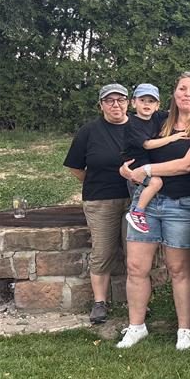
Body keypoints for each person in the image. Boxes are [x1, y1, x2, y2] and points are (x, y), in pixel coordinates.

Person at [117, 72, 190, 350]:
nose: (187, 94)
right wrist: (127, 168)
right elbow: (135, 146)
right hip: (146, 203)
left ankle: (184, 329)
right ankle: (136, 326)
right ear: (174, 93)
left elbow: (187, 164)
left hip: (183, 205)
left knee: (179, 270)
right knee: (136, 267)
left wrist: (147, 170)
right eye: (182, 89)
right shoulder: (158, 120)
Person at [64, 83, 131, 324]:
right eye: (109, 100)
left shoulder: (138, 127)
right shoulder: (89, 131)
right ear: (101, 105)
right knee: (103, 252)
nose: (116, 105)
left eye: (120, 99)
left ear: (128, 102)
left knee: (135, 255)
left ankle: (137, 302)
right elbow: (75, 167)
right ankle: (100, 303)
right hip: (101, 200)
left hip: (136, 200)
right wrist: (96, 180)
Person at [124, 83, 186, 234]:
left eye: (151, 101)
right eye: (142, 100)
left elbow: (175, 112)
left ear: (157, 105)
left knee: (154, 183)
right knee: (156, 182)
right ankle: (137, 211)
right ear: (133, 103)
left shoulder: (157, 116)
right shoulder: (132, 123)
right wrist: (173, 138)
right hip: (136, 161)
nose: (147, 104)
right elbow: (147, 144)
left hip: (148, 161)